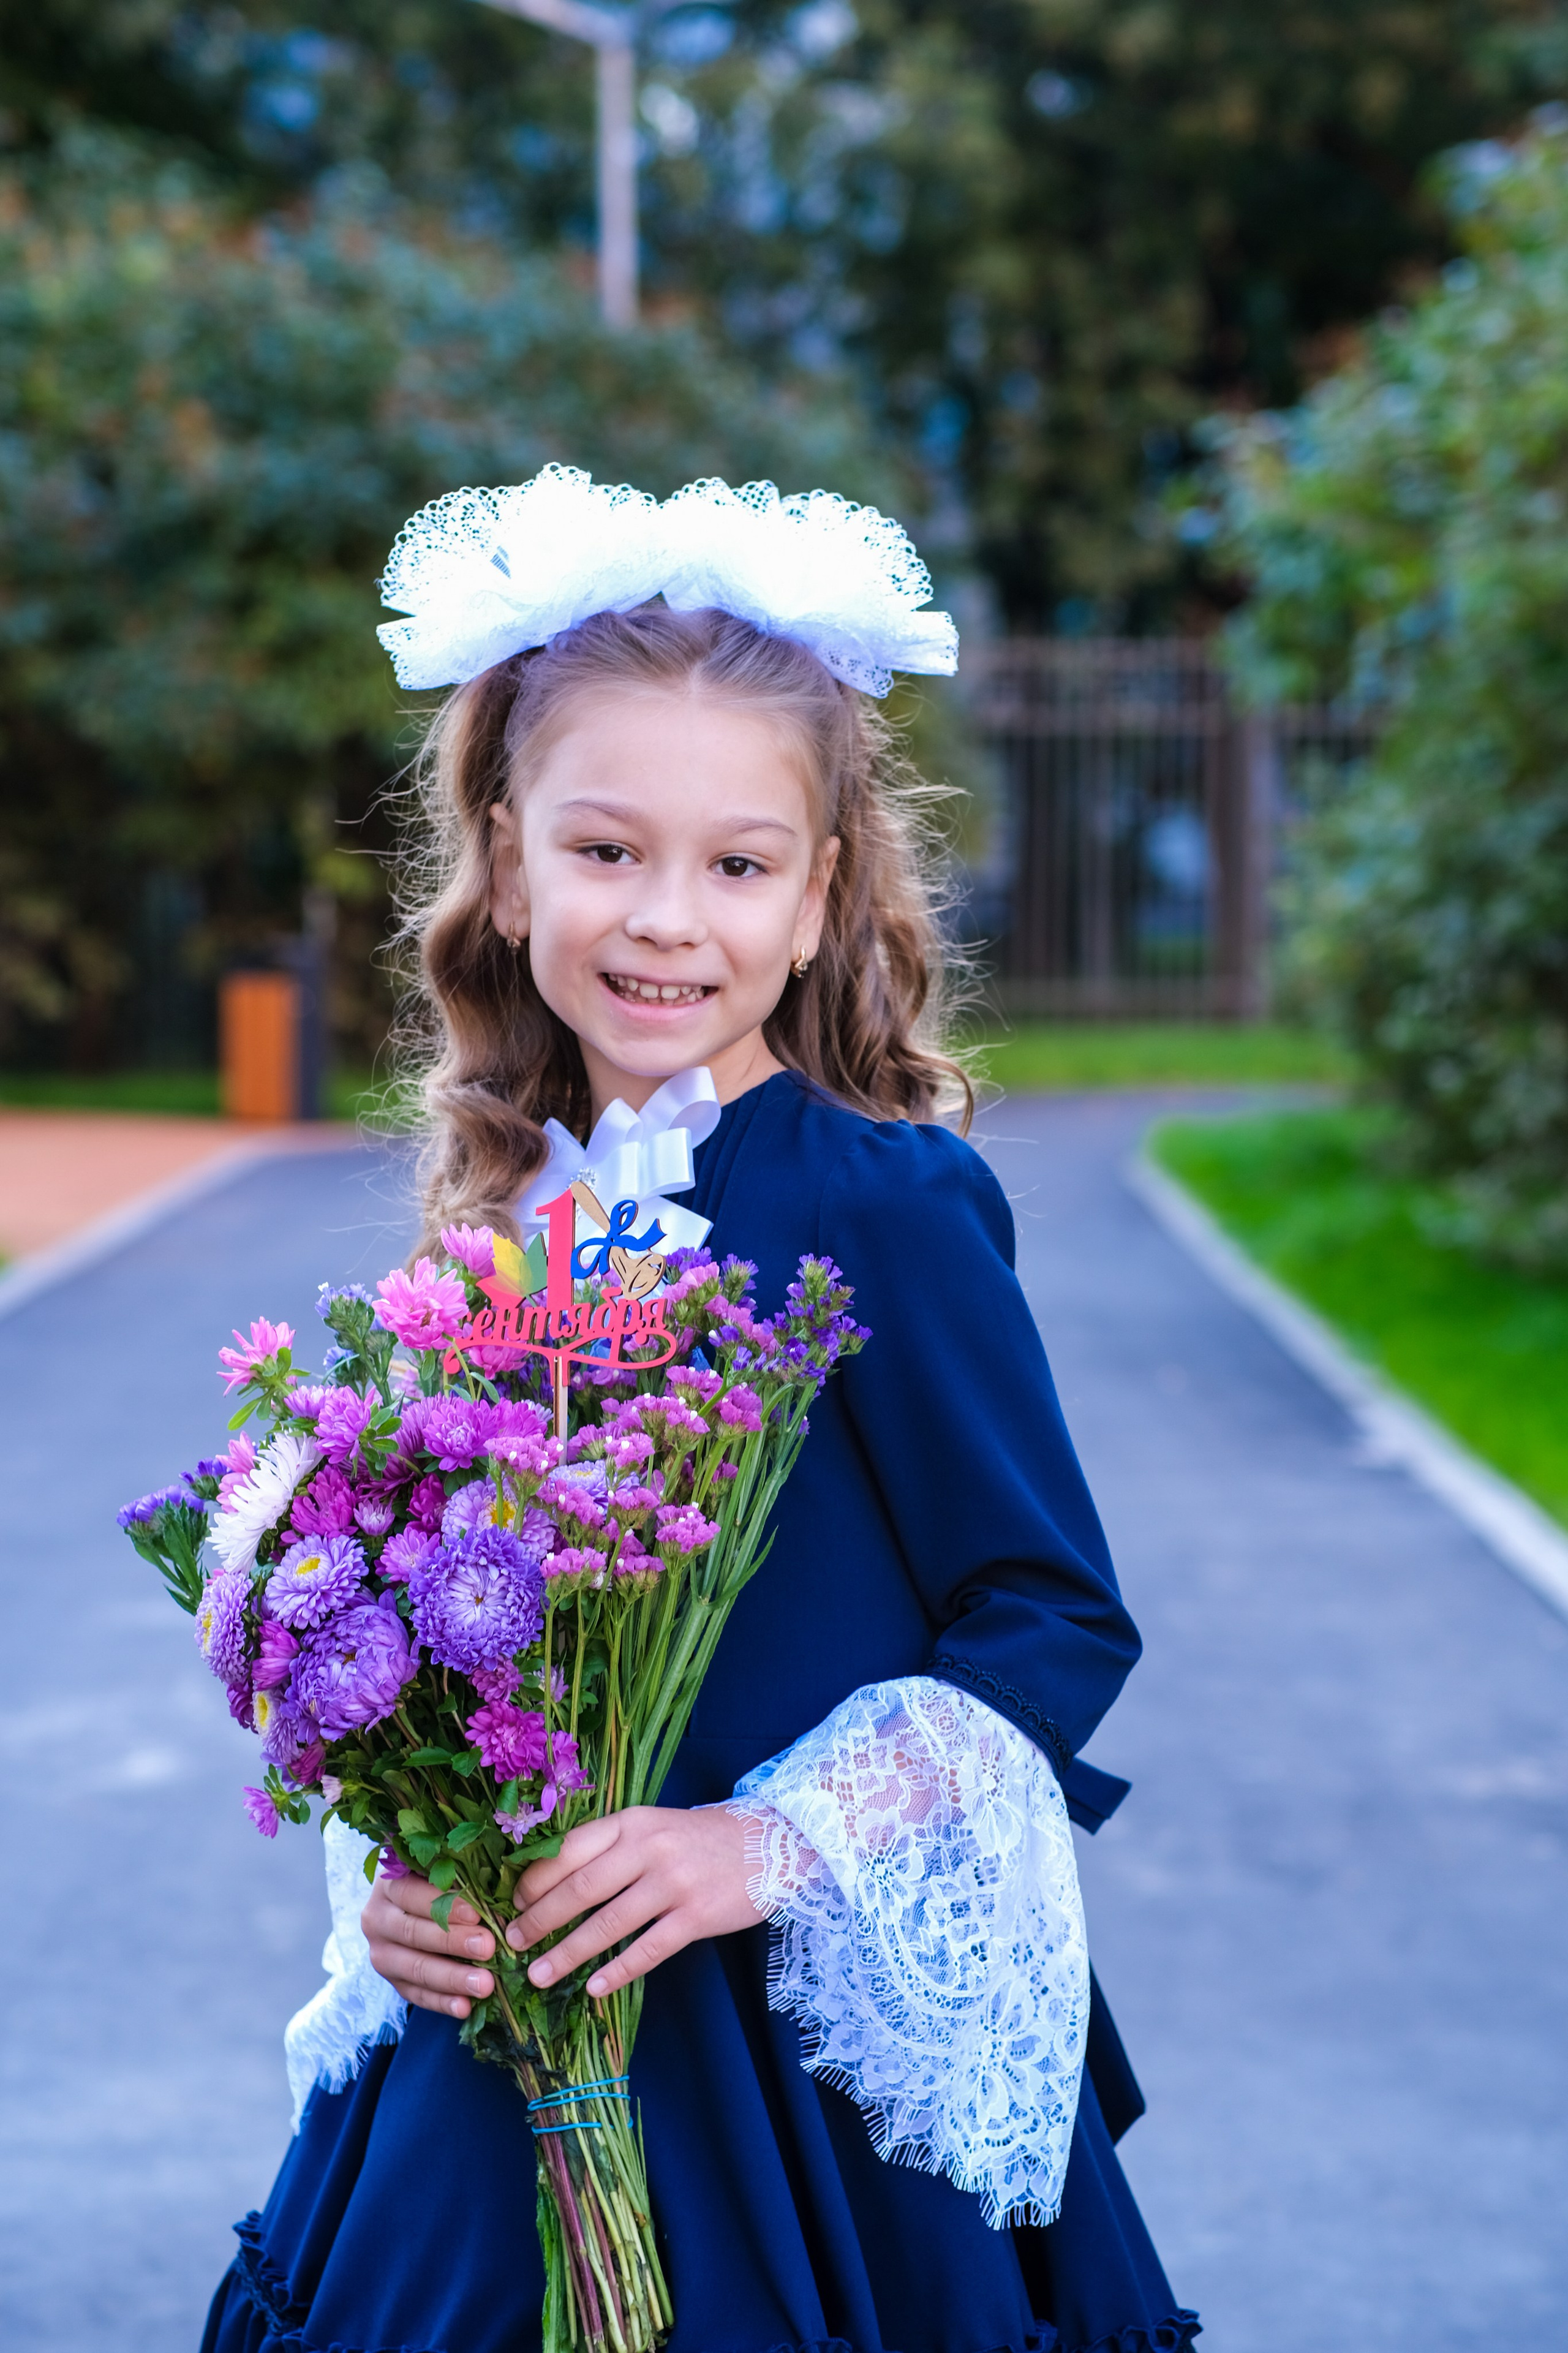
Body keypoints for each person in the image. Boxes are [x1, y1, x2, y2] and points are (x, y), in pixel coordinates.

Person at [202, 469, 1199, 2353]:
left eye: (738, 864)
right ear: (506, 861)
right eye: (604, 851)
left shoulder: (879, 1204)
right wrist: (409, 1873)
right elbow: (446, 1638)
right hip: (516, 2024)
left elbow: (1051, 1621)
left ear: (822, 894)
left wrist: (759, 1848)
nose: (668, 920)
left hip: (785, 2058)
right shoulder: (506, 1211)